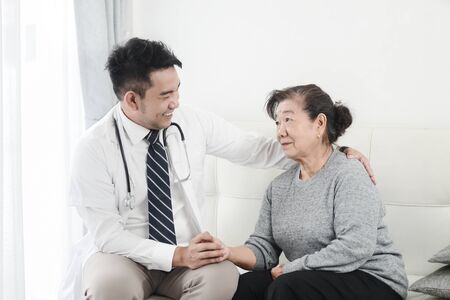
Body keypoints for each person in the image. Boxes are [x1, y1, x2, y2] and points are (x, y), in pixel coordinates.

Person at [58, 38, 374, 300]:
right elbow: (108, 236)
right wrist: (177, 256)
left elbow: (257, 149)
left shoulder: (191, 122)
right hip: (122, 256)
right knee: (109, 285)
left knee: (223, 277)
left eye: (177, 90)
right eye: (166, 95)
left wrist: (333, 150)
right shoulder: (93, 148)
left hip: (187, 253)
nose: (176, 102)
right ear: (131, 100)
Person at [225, 84, 408, 300]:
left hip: (374, 279)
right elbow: (263, 248)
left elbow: (355, 246)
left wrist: (294, 267)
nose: (280, 131)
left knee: (287, 287)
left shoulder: (348, 173)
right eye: (278, 123)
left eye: (288, 120)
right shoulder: (278, 188)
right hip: (312, 277)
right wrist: (226, 252)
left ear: (319, 123)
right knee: (248, 285)